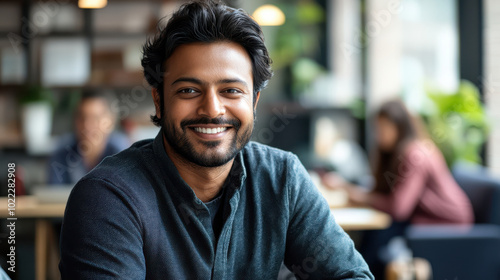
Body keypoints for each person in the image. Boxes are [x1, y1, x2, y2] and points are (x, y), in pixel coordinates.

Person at [59, 1, 373, 279]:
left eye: (231, 91)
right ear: (159, 100)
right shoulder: (107, 198)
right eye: (188, 90)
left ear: (254, 101)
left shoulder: (282, 180)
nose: (212, 109)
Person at [322, 99, 473, 278]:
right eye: (377, 128)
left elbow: (399, 208)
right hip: (419, 219)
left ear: (400, 126)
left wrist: (350, 191)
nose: (379, 134)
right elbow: (383, 195)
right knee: (374, 236)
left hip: (445, 224)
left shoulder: (415, 153)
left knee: (380, 237)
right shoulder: (395, 153)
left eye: (384, 127)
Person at [48, 90, 129, 184]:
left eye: (95, 118)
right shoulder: (61, 154)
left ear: (111, 121)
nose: (87, 125)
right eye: (82, 117)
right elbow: (53, 195)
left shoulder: (122, 154)